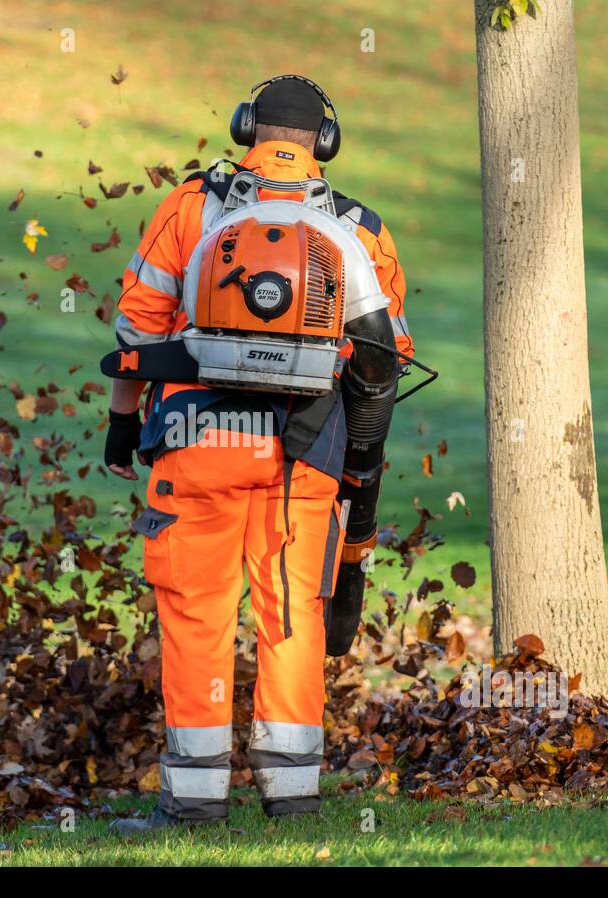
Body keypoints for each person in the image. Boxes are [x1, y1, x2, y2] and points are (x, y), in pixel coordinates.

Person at [103, 75, 412, 832]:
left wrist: (120, 429)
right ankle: (293, 794)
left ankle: (194, 802)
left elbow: (137, 337)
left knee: (195, 613)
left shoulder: (190, 206)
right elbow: (384, 361)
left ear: (246, 129)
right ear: (324, 143)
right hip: (301, 458)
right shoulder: (359, 229)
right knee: (293, 615)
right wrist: (360, 475)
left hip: (194, 447)